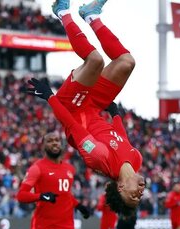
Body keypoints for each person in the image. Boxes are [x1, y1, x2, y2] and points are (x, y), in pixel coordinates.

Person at [27, 0, 145, 215]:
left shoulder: (99, 159)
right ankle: (91, 15)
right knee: (127, 62)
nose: (139, 193)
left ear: (120, 188)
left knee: (95, 61)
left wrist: (49, 96)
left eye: (132, 196)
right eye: (140, 198)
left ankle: (62, 12)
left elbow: (72, 124)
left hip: (72, 106)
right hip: (95, 106)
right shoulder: (136, 159)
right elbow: (121, 138)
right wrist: (116, 114)